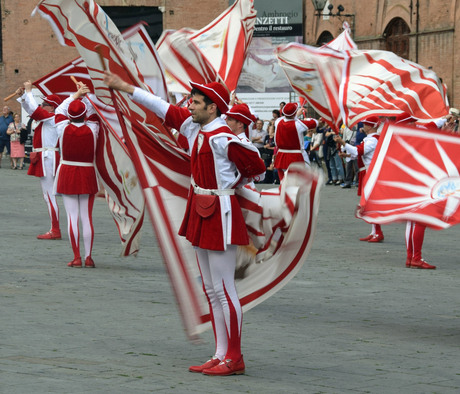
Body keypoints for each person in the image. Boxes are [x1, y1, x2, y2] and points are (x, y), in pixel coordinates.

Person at [104, 72, 266, 376]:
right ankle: (220, 353)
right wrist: (126, 88)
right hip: (201, 207)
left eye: (196, 103)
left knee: (224, 288)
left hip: (220, 210)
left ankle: (235, 356)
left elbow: (257, 166)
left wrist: (234, 183)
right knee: (210, 288)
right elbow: (162, 107)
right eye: (191, 102)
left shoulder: (222, 138)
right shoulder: (196, 127)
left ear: (213, 108)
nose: (189, 106)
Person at [54, 83, 99, 268]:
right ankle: (89, 257)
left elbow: (60, 108)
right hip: (88, 172)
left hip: (68, 172)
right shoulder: (93, 128)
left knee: (72, 217)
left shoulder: (62, 127)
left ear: (70, 116)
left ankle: (77, 257)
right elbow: (93, 110)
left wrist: (76, 94)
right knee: (87, 217)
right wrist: (86, 95)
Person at [17, 81, 63, 240]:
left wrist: (29, 91)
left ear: (52, 107)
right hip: (45, 157)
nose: (42, 105)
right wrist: (23, 97)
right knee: (48, 195)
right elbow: (32, 109)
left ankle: (55, 229)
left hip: (48, 157)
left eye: (45, 104)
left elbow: (35, 110)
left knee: (49, 195)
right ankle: (54, 227)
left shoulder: (53, 117)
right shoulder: (49, 117)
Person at [394, 113, 436, 269]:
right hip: (417, 181)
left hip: (408, 182)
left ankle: (411, 257)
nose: (415, 124)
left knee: (412, 222)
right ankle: (415, 257)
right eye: (411, 122)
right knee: (420, 220)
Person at [335, 117, 384, 243]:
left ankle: (377, 232)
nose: (363, 126)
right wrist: (346, 155)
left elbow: (358, 151)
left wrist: (343, 143)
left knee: (371, 204)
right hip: (366, 171)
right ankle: (374, 231)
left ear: (370, 126)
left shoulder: (373, 140)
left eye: (366, 124)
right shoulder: (371, 139)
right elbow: (359, 153)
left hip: (369, 172)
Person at [273, 102, 318, 181]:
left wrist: (296, 115)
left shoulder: (278, 122)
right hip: (295, 156)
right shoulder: (298, 124)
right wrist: (307, 119)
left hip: (281, 155)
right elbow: (315, 123)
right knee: (299, 181)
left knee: (283, 182)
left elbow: (286, 118)